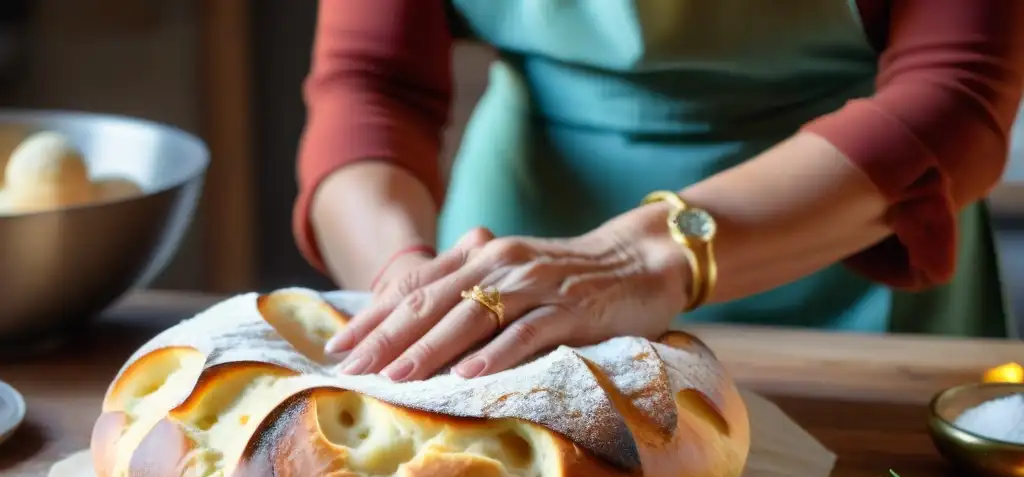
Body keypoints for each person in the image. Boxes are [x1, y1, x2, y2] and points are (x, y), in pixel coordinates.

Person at [294, 0, 1024, 383]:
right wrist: (408, 284)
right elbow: (369, 84)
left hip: (844, 224)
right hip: (515, 259)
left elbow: (957, 97)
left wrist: (640, 258)